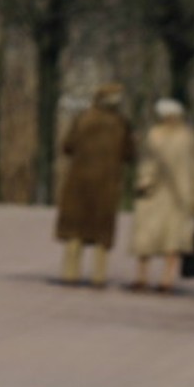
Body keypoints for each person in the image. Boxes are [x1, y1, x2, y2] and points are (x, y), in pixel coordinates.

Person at [53, 82, 135, 287]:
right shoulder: (121, 123)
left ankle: (70, 273)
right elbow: (130, 154)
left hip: (78, 183)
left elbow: (67, 146)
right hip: (107, 184)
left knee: (74, 230)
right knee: (101, 234)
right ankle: (99, 276)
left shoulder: (82, 119)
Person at [130, 97, 194, 293]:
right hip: (172, 195)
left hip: (163, 193)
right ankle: (162, 279)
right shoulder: (185, 136)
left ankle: (150, 278)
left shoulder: (160, 136)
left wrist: (144, 181)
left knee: (160, 238)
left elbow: (149, 164)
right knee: (162, 239)